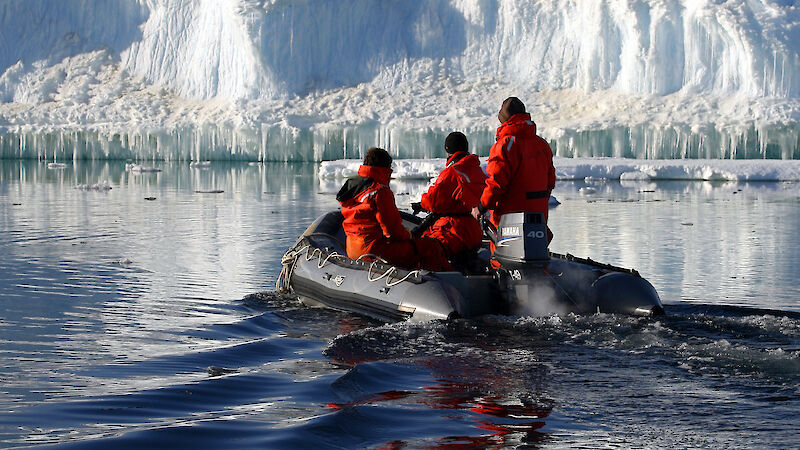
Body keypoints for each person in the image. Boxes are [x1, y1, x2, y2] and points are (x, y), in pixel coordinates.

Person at [336, 147, 451, 271]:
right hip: (374, 251)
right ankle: (439, 282)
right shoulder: (380, 191)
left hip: (353, 249)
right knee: (430, 246)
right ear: (385, 168)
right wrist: (409, 235)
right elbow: (392, 231)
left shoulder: (354, 188)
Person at [473, 97, 556, 244]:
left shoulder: (505, 145)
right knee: (534, 250)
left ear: (505, 119)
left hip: (510, 217)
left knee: (502, 259)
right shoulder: (542, 144)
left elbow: (496, 183)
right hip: (538, 216)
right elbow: (550, 181)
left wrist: (481, 207)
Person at [410, 132, 487, 258]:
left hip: (454, 230)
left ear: (448, 150)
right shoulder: (477, 170)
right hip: (473, 231)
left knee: (419, 248)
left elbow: (432, 201)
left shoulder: (452, 172)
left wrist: (422, 204)